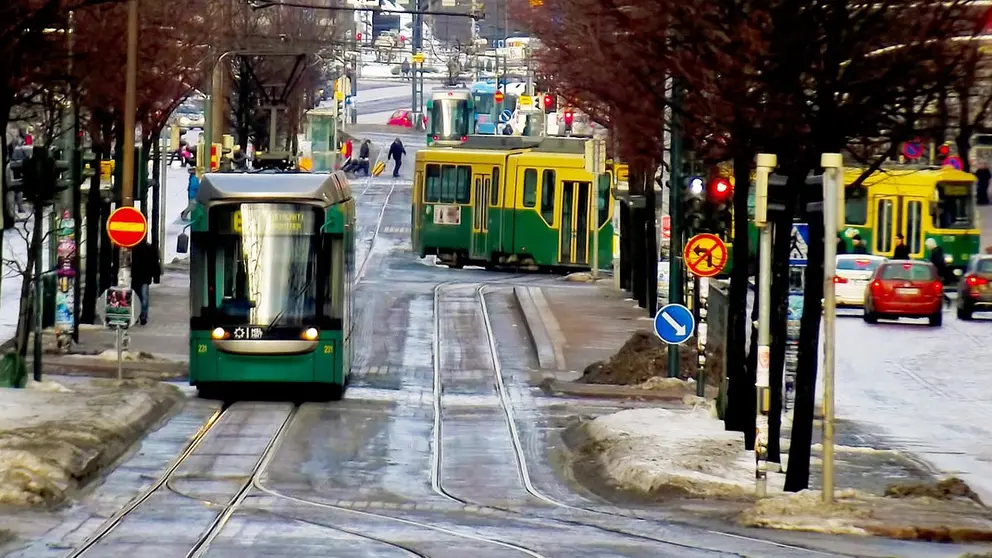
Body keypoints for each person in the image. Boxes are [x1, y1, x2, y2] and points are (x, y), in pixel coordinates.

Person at [131, 241, 161, 325]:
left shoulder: (134, 248)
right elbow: (155, 263)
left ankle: (137, 315)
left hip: (137, 276)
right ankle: (143, 315)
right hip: (145, 276)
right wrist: (156, 276)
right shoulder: (150, 248)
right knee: (144, 296)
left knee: (137, 296)